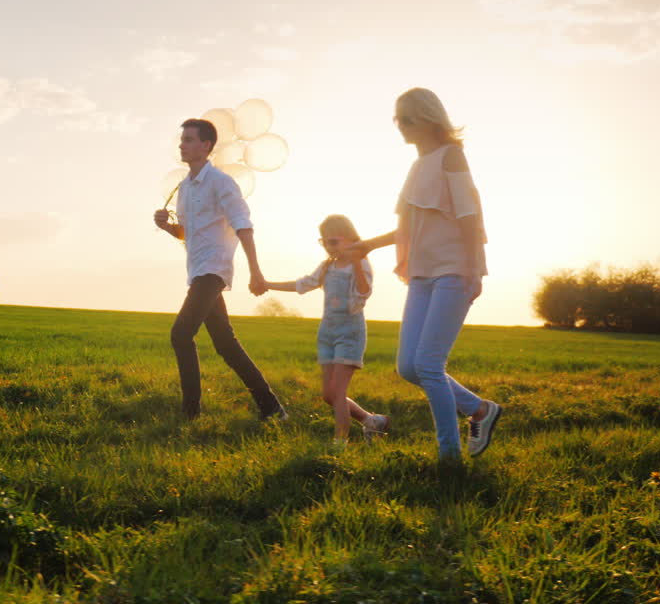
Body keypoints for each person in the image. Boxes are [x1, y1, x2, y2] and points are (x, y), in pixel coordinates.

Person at [346, 88, 501, 461]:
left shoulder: (451, 156)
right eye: (397, 118)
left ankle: (449, 457)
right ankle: (479, 410)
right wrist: (366, 245)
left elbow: (468, 215)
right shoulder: (417, 166)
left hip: (453, 272)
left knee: (429, 365)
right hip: (422, 275)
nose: (399, 125)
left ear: (427, 118)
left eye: (406, 118)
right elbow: (408, 229)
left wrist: (472, 270)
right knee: (408, 367)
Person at [153, 118, 287, 421]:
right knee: (226, 345)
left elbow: (243, 225)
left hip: (214, 270)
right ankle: (273, 409)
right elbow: (188, 234)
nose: (182, 144)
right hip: (198, 270)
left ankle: (190, 414)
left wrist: (255, 271)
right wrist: (167, 227)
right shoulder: (185, 188)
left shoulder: (222, 183)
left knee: (181, 334)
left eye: (188, 139)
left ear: (206, 145)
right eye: (182, 139)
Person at [261, 215, 390, 449]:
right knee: (328, 395)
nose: (328, 248)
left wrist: (358, 262)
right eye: (324, 242)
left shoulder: (361, 264)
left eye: (333, 241)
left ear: (350, 238)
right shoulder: (327, 266)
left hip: (349, 333)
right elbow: (303, 284)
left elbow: (362, 295)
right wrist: (268, 284)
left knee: (338, 393)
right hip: (327, 333)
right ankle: (372, 421)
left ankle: (339, 445)